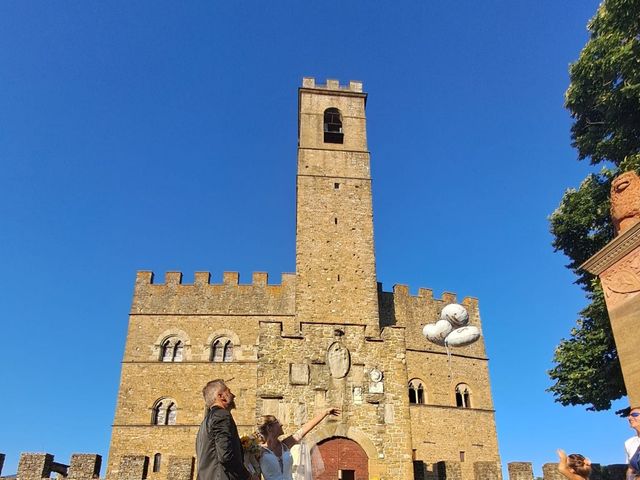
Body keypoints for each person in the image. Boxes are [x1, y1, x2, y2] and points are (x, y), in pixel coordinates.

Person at [256, 407, 340, 480]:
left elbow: (304, 429)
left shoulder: (285, 445)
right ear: (269, 428)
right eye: (277, 422)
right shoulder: (258, 451)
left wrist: (325, 412)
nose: (281, 424)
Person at [196, 379, 251, 480]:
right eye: (229, 392)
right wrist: (247, 475)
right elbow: (225, 455)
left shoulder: (204, 424)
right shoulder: (222, 415)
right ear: (220, 396)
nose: (233, 395)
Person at [626, 406, 640, 480]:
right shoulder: (628, 443)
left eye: (634, 415)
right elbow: (631, 469)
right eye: (629, 416)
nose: (629, 418)